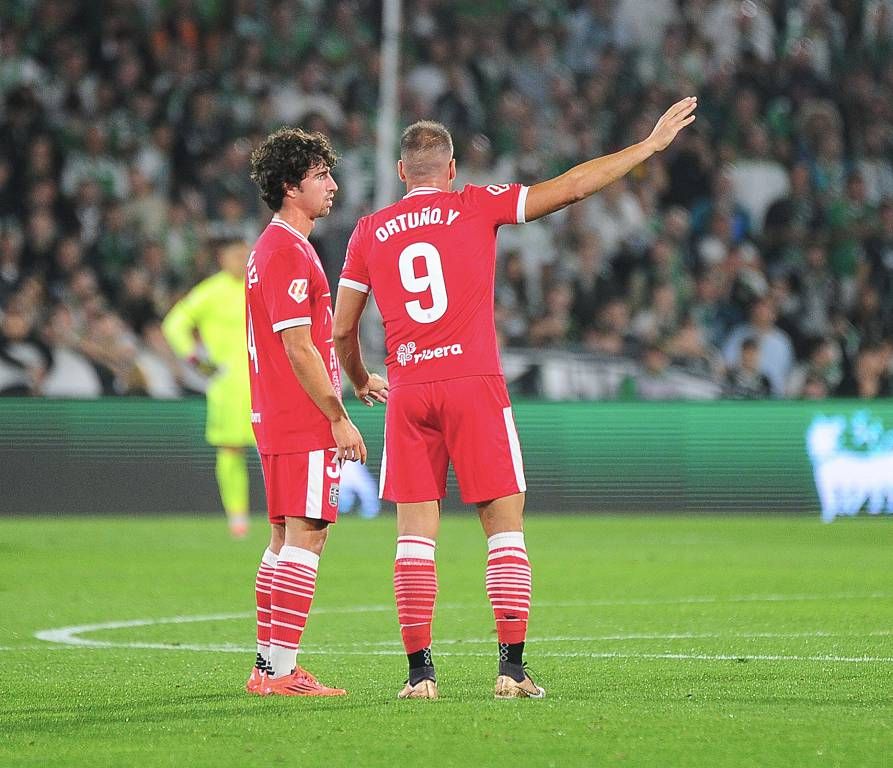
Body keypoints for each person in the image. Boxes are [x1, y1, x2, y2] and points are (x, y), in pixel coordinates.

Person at [333, 97, 697, 699]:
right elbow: (573, 187)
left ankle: (420, 676)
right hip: (474, 384)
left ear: (402, 173)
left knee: (414, 538)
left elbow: (343, 328)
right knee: (503, 530)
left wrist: (358, 376)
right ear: (451, 170)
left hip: (410, 388)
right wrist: (649, 146)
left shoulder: (369, 232)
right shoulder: (477, 205)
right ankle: (510, 669)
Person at [244, 127, 382, 697]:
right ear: (288, 187)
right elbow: (299, 344)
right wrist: (337, 414)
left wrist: (358, 378)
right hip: (300, 416)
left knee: (282, 536)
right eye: (320, 176)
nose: (332, 185)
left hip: (276, 412)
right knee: (308, 535)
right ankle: (281, 671)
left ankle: (265, 666)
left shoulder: (274, 248)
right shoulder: (285, 250)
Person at [162, 241, 256, 538]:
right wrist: (195, 358)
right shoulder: (211, 291)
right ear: (222, 258)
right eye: (236, 254)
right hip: (227, 386)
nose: (242, 259)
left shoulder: (260, 284)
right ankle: (237, 516)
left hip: (264, 381)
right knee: (231, 448)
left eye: (245, 253)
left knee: (275, 451)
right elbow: (174, 324)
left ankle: (282, 515)